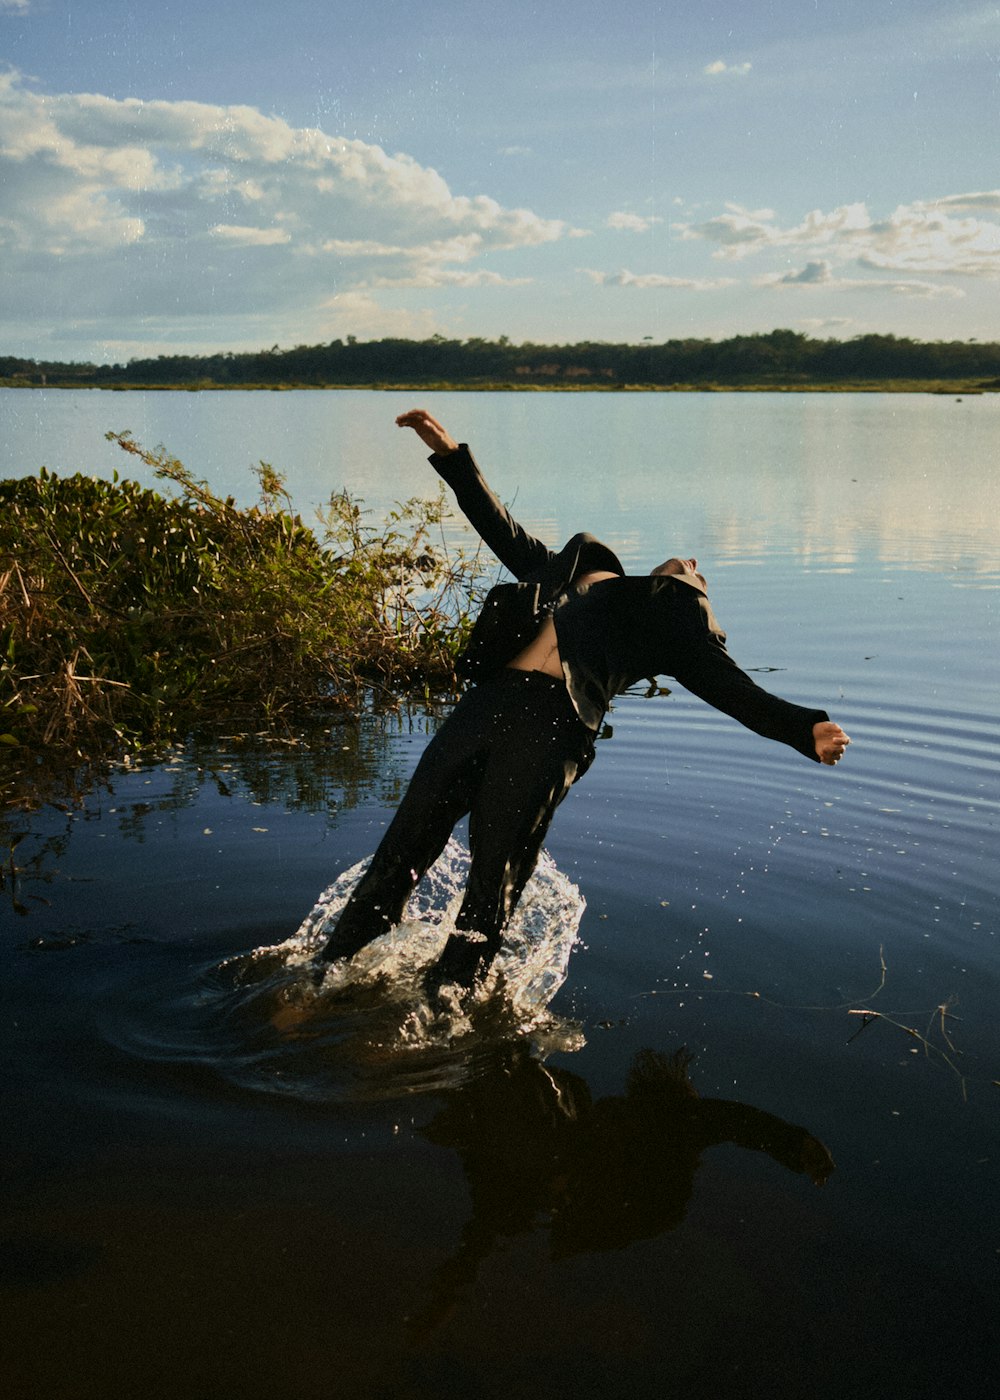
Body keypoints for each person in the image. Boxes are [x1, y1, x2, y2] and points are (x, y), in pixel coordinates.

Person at [320, 409, 850, 994]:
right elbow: (501, 528)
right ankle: (322, 983)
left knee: (492, 877)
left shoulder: (675, 617)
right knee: (400, 849)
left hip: (550, 728)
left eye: (703, 576)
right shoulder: (576, 571)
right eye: (694, 565)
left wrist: (806, 729)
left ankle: (444, 1013)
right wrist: (449, 453)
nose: (696, 564)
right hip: (486, 706)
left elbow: (731, 689)